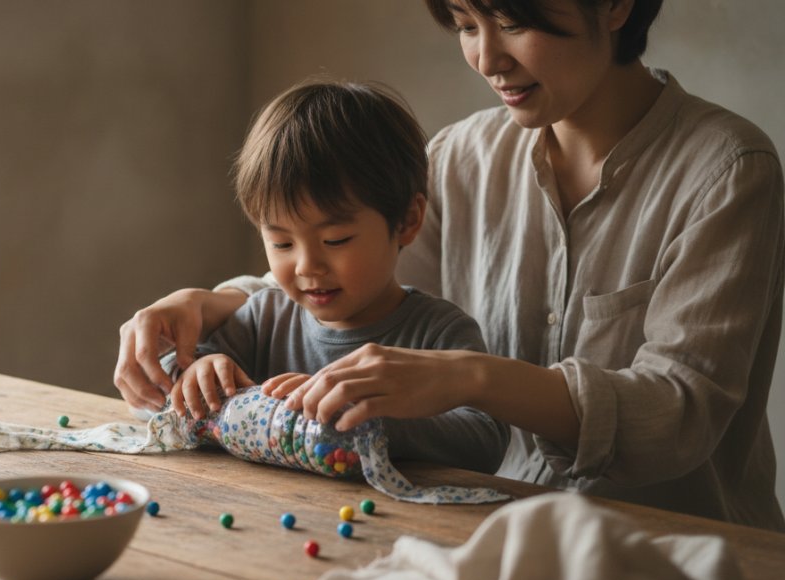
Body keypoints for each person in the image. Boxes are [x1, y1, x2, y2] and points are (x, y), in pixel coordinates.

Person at [113, 0, 785, 530]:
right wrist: (207, 302)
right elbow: (349, 280)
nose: (487, 57)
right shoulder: (462, 157)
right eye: (466, 22)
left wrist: (471, 377)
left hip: (683, 550)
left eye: (514, 21)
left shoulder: (727, 171)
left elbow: (678, 415)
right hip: (482, 530)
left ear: (615, 5)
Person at [164, 79, 509, 473]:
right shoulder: (263, 320)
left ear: (407, 221)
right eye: (281, 244)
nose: (307, 266)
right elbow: (168, 400)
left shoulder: (438, 333)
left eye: (336, 239)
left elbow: (487, 441)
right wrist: (199, 371)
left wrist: (375, 423)